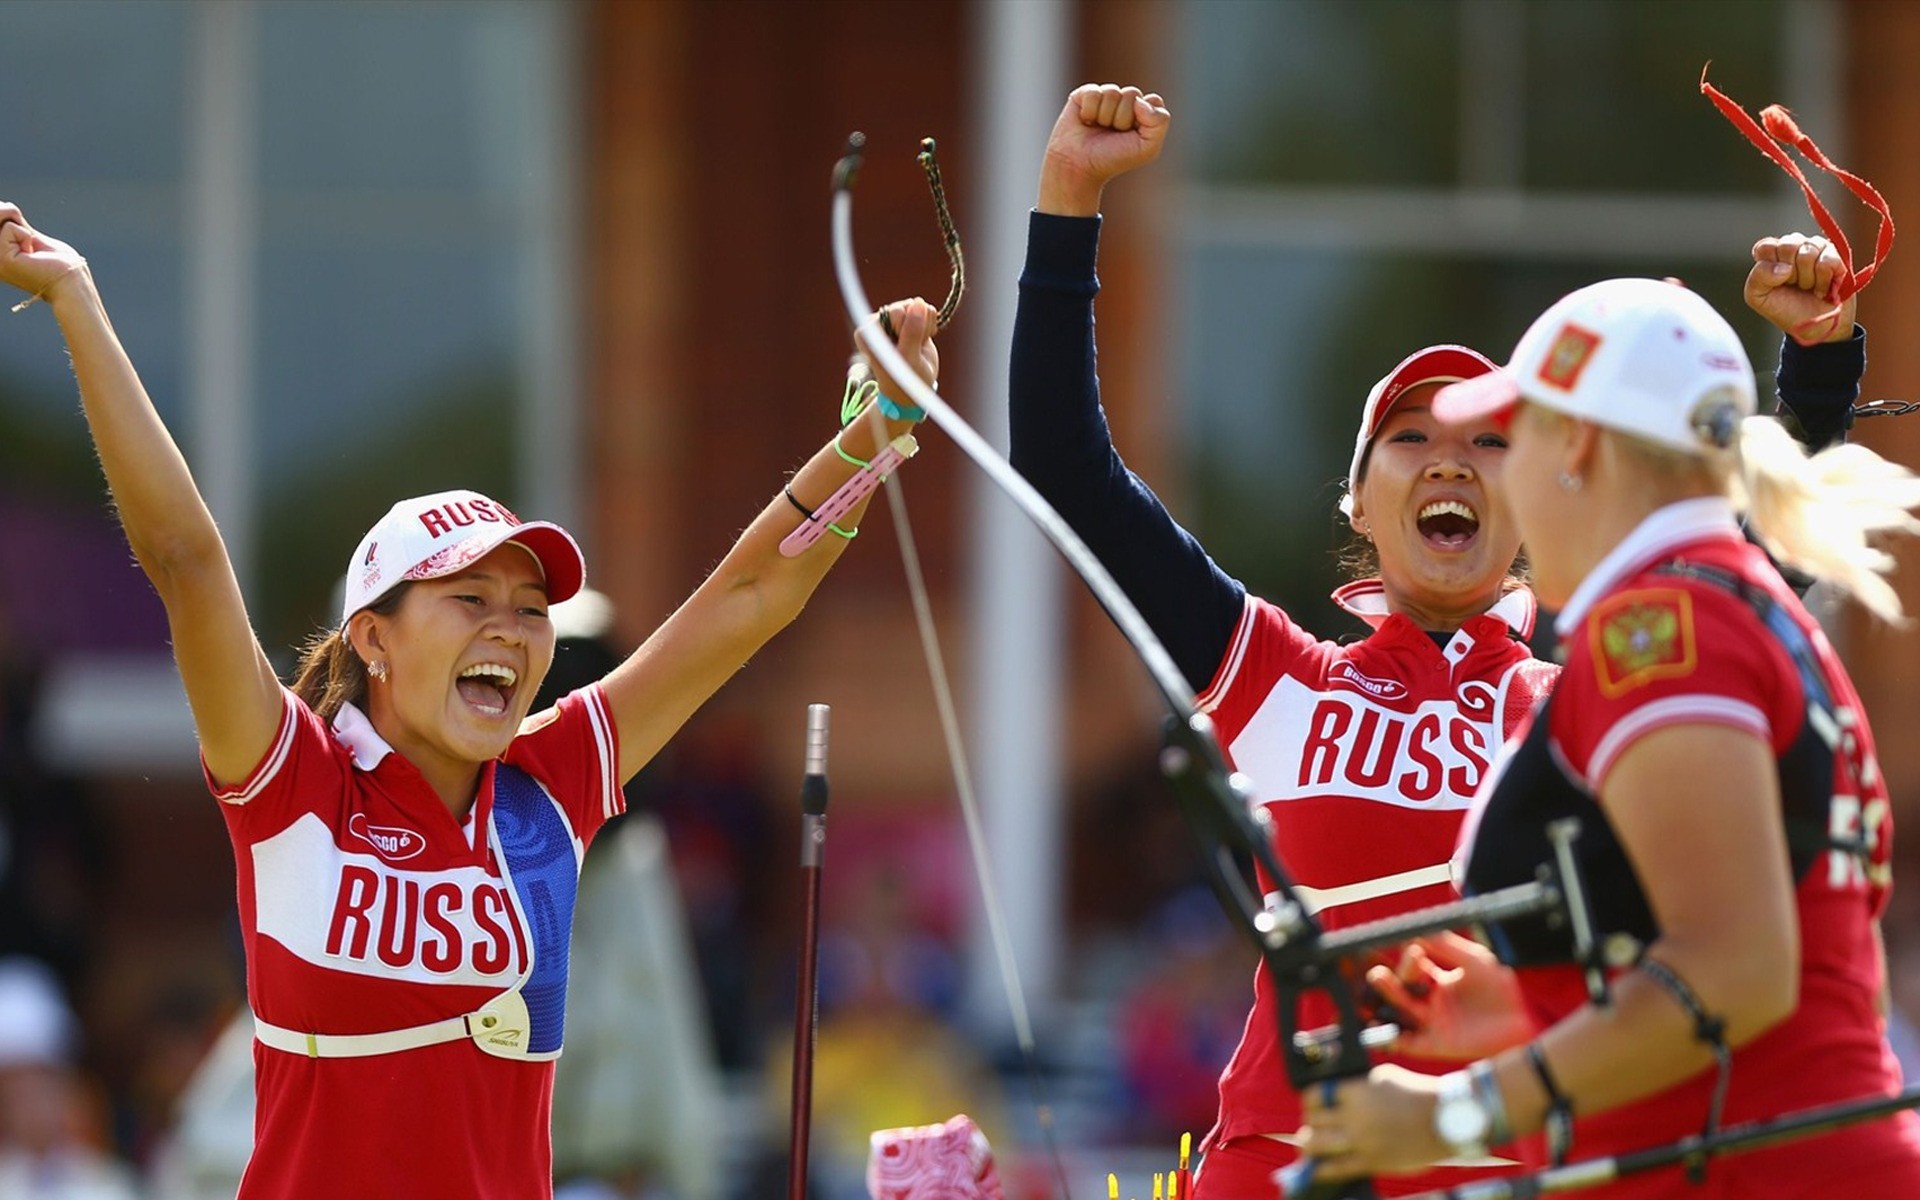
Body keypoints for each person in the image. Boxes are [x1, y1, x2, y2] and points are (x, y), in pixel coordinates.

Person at [1009, 83, 1871, 1198]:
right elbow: (1067, 469)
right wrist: (1069, 196)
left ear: (1541, 500)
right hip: (1294, 1168)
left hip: (1518, 1163)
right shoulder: (1273, 674)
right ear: (1358, 503)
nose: (1452, 461)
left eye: (1488, 441)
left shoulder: (1600, 679)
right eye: (1410, 438)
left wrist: (1816, 369)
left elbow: (1755, 565)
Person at [0, 200, 941, 1198]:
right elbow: (186, 560)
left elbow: (751, 599)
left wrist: (872, 436)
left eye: (531, 607)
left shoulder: (556, 779)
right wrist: (74, 298)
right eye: (469, 598)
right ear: (373, 638)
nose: (510, 627)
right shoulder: (292, 781)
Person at [1299, 274, 1920, 1197]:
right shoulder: (1715, 597)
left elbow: (1734, 965)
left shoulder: (1663, 628)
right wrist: (1529, 1000)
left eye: (1515, 437)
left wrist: (1452, 1112)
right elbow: (1738, 936)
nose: (1492, 475)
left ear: (1578, 444)